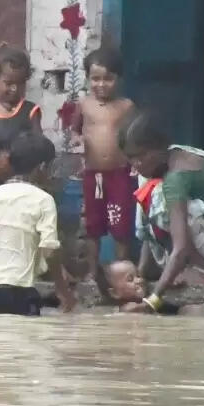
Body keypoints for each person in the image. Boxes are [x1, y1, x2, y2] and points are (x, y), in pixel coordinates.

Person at [118, 111, 204, 313]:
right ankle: (185, 269)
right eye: (131, 158)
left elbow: (181, 247)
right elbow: (148, 231)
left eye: (142, 156)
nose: (136, 163)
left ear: (159, 149)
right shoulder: (162, 164)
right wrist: (140, 273)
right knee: (148, 192)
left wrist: (152, 301)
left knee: (162, 202)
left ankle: (201, 273)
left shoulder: (177, 176)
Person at [0, 131, 76, 316]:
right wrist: (62, 289)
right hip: (21, 288)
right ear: (42, 167)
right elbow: (50, 249)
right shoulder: (43, 200)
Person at [77, 46, 138, 293]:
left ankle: (120, 273)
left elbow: (134, 135)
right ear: (88, 79)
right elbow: (74, 130)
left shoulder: (126, 106)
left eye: (108, 79)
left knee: (120, 224)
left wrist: (134, 160)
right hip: (94, 175)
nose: (101, 85)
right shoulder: (84, 105)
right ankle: (92, 271)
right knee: (93, 225)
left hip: (119, 174)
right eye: (95, 79)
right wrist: (78, 141)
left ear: (118, 79)